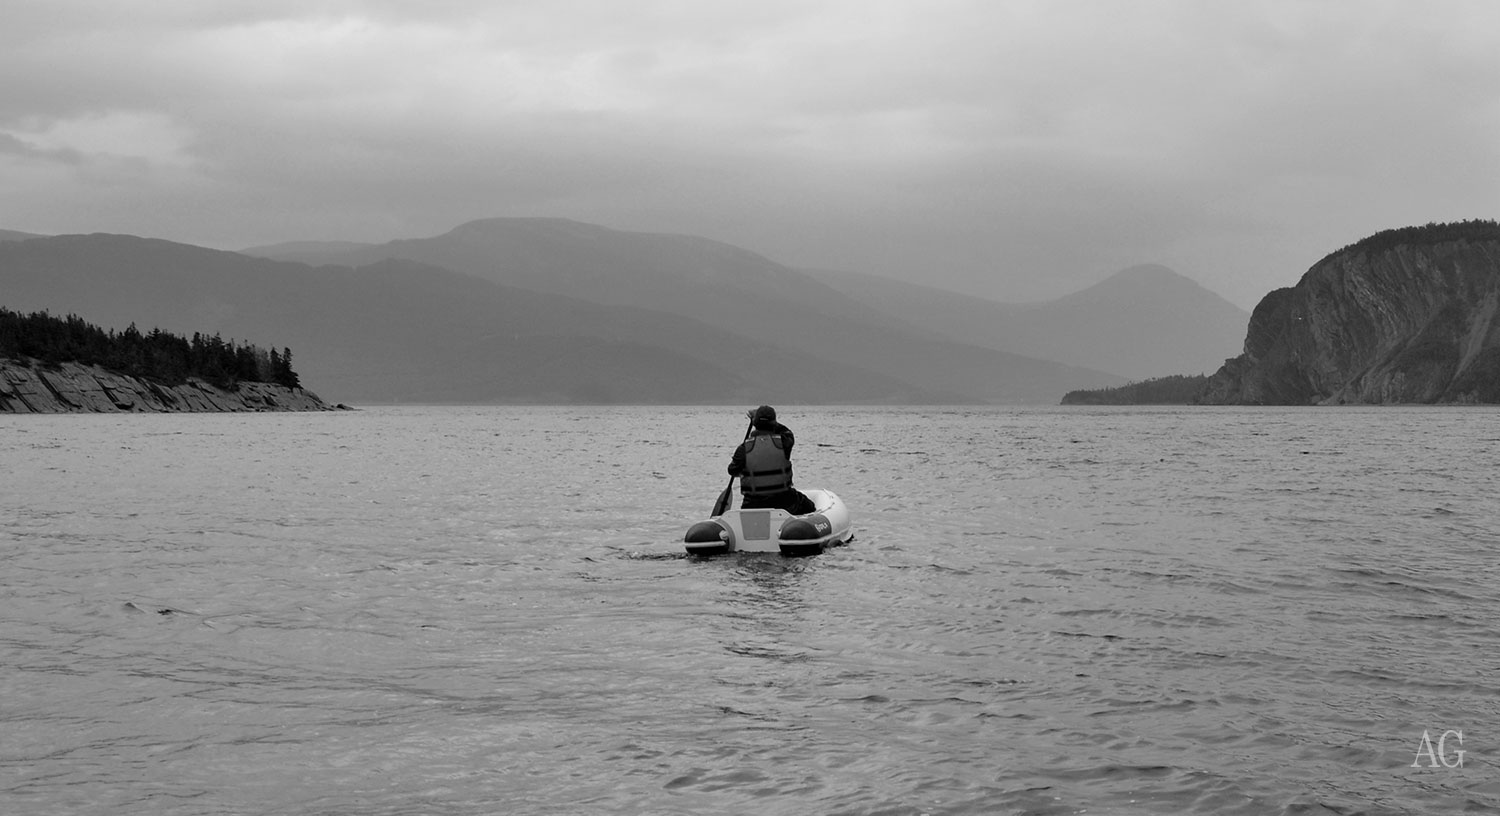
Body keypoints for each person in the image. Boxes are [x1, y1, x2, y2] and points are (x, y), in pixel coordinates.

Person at [728, 405, 816, 515]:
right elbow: (787, 432)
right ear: (774, 424)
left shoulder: (744, 448)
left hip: (752, 504)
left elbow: (732, 470)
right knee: (810, 507)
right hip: (784, 502)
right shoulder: (784, 442)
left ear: (755, 424)